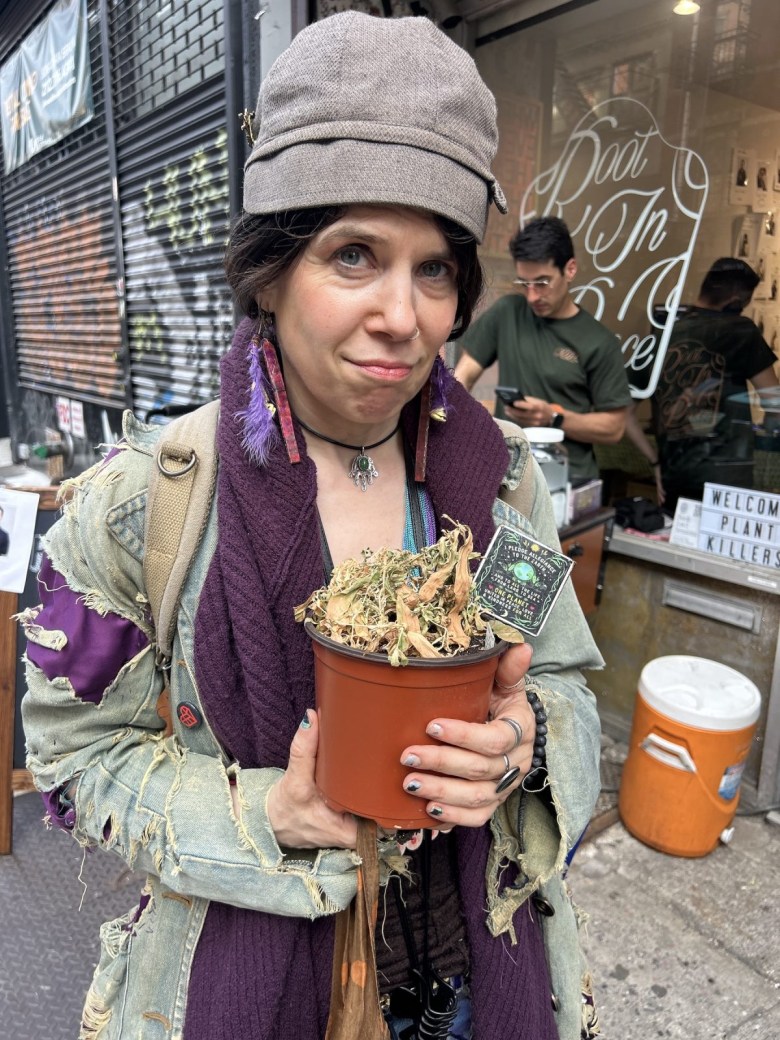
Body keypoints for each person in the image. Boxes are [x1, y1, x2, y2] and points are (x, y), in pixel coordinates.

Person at [20, 13, 603, 1040]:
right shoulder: (143, 503)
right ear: (271, 271)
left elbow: (554, 675)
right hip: (248, 985)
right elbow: (72, 754)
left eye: (434, 269)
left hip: (478, 972)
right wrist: (262, 819)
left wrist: (521, 740)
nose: (402, 314)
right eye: (354, 254)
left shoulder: (502, 488)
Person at [454, 216, 630, 482]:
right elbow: (462, 378)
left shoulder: (599, 341)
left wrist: (553, 417)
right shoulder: (509, 313)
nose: (533, 296)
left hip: (568, 479)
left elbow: (614, 428)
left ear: (570, 270)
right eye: (525, 284)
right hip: (510, 474)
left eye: (543, 282)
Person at [626, 257, 779, 508]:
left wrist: (655, 463)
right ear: (737, 299)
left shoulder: (663, 332)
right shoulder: (740, 330)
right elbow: (773, 401)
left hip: (674, 471)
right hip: (726, 475)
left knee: (676, 543)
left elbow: (623, 413)